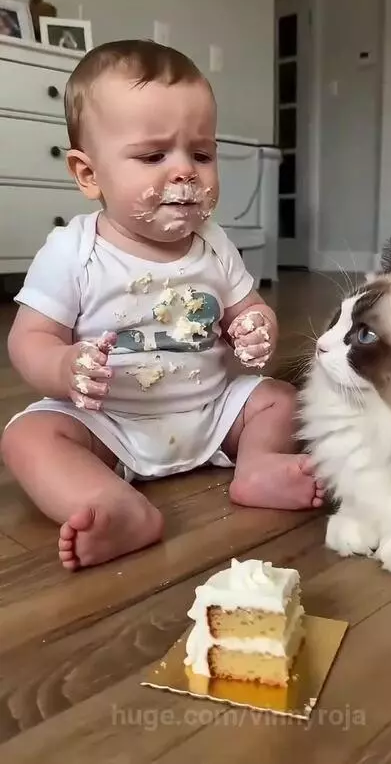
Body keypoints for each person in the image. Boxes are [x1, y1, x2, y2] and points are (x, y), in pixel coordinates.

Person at [1, 39, 324, 571]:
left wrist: (252, 326)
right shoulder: (74, 250)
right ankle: (110, 503)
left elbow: (249, 306)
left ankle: (258, 465)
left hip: (212, 412)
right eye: (154, 156)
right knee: (27, 437)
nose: (185, 173)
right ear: (89, 174)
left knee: (279, 398)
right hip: (112, 422)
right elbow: (29, 338)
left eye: (201, 154)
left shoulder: (214, 244)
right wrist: (62, 366)